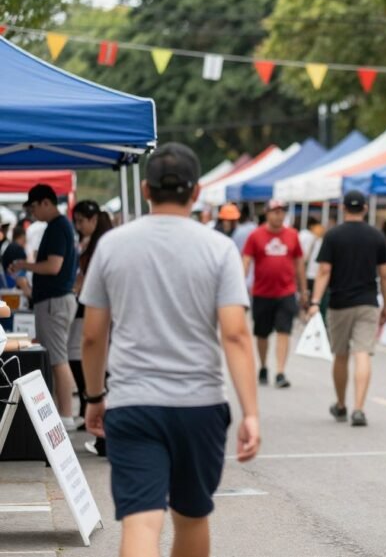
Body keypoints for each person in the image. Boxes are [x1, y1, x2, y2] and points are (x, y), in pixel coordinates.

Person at [80, 142, 260, 557]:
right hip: (200, 405)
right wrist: (251, 412)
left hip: (132, 402)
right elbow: (235, 335)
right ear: (196, 192)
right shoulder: (218, 248)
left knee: (142, 520)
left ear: (145, 189)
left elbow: (92, 335)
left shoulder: (112, 245)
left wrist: (93, 397)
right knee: (192, 515)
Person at [307, 191, 386, 427]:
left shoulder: (332, 235)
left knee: (341, 355)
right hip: (367, 302)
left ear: (343, 208)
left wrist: (315, 302)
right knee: (362, 353)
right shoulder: (376, 236)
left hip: (339, 302)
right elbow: (384, 276)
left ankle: (341, 404)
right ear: (365, 208)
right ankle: (359, 408)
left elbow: (324, 271)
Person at [8, 184, 79, 429]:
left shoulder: (59, 227)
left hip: (54, 301)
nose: (33, 213)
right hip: (54, 300)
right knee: (58, 356)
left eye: (34, 207)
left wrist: (24, 265)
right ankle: (65, 412)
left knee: (58, 359)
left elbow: (53, 266)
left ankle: (66, 415)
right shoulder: (58, 227)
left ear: (46, 203)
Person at [243, 200, 306, 388]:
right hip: (262, 292)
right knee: (262, 334)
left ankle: (280, 371)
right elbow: (246, 261)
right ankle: (263, 366)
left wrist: (303, 290)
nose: (278, 215)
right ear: (267, 213)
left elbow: (299, 263)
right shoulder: (256, 235)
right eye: (275, 212)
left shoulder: (292, 235)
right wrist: (239, 285)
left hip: (286, 291)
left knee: (284, 331)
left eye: (281, 212)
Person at [69, 200, 114, 454]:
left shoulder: (103, 246)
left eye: (80, 221)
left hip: (100, 314)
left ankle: (105, 439)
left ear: (93, 219)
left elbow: (92, 338)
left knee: (98, 367)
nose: (78, 226)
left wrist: (94, 397)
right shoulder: (103, 243)